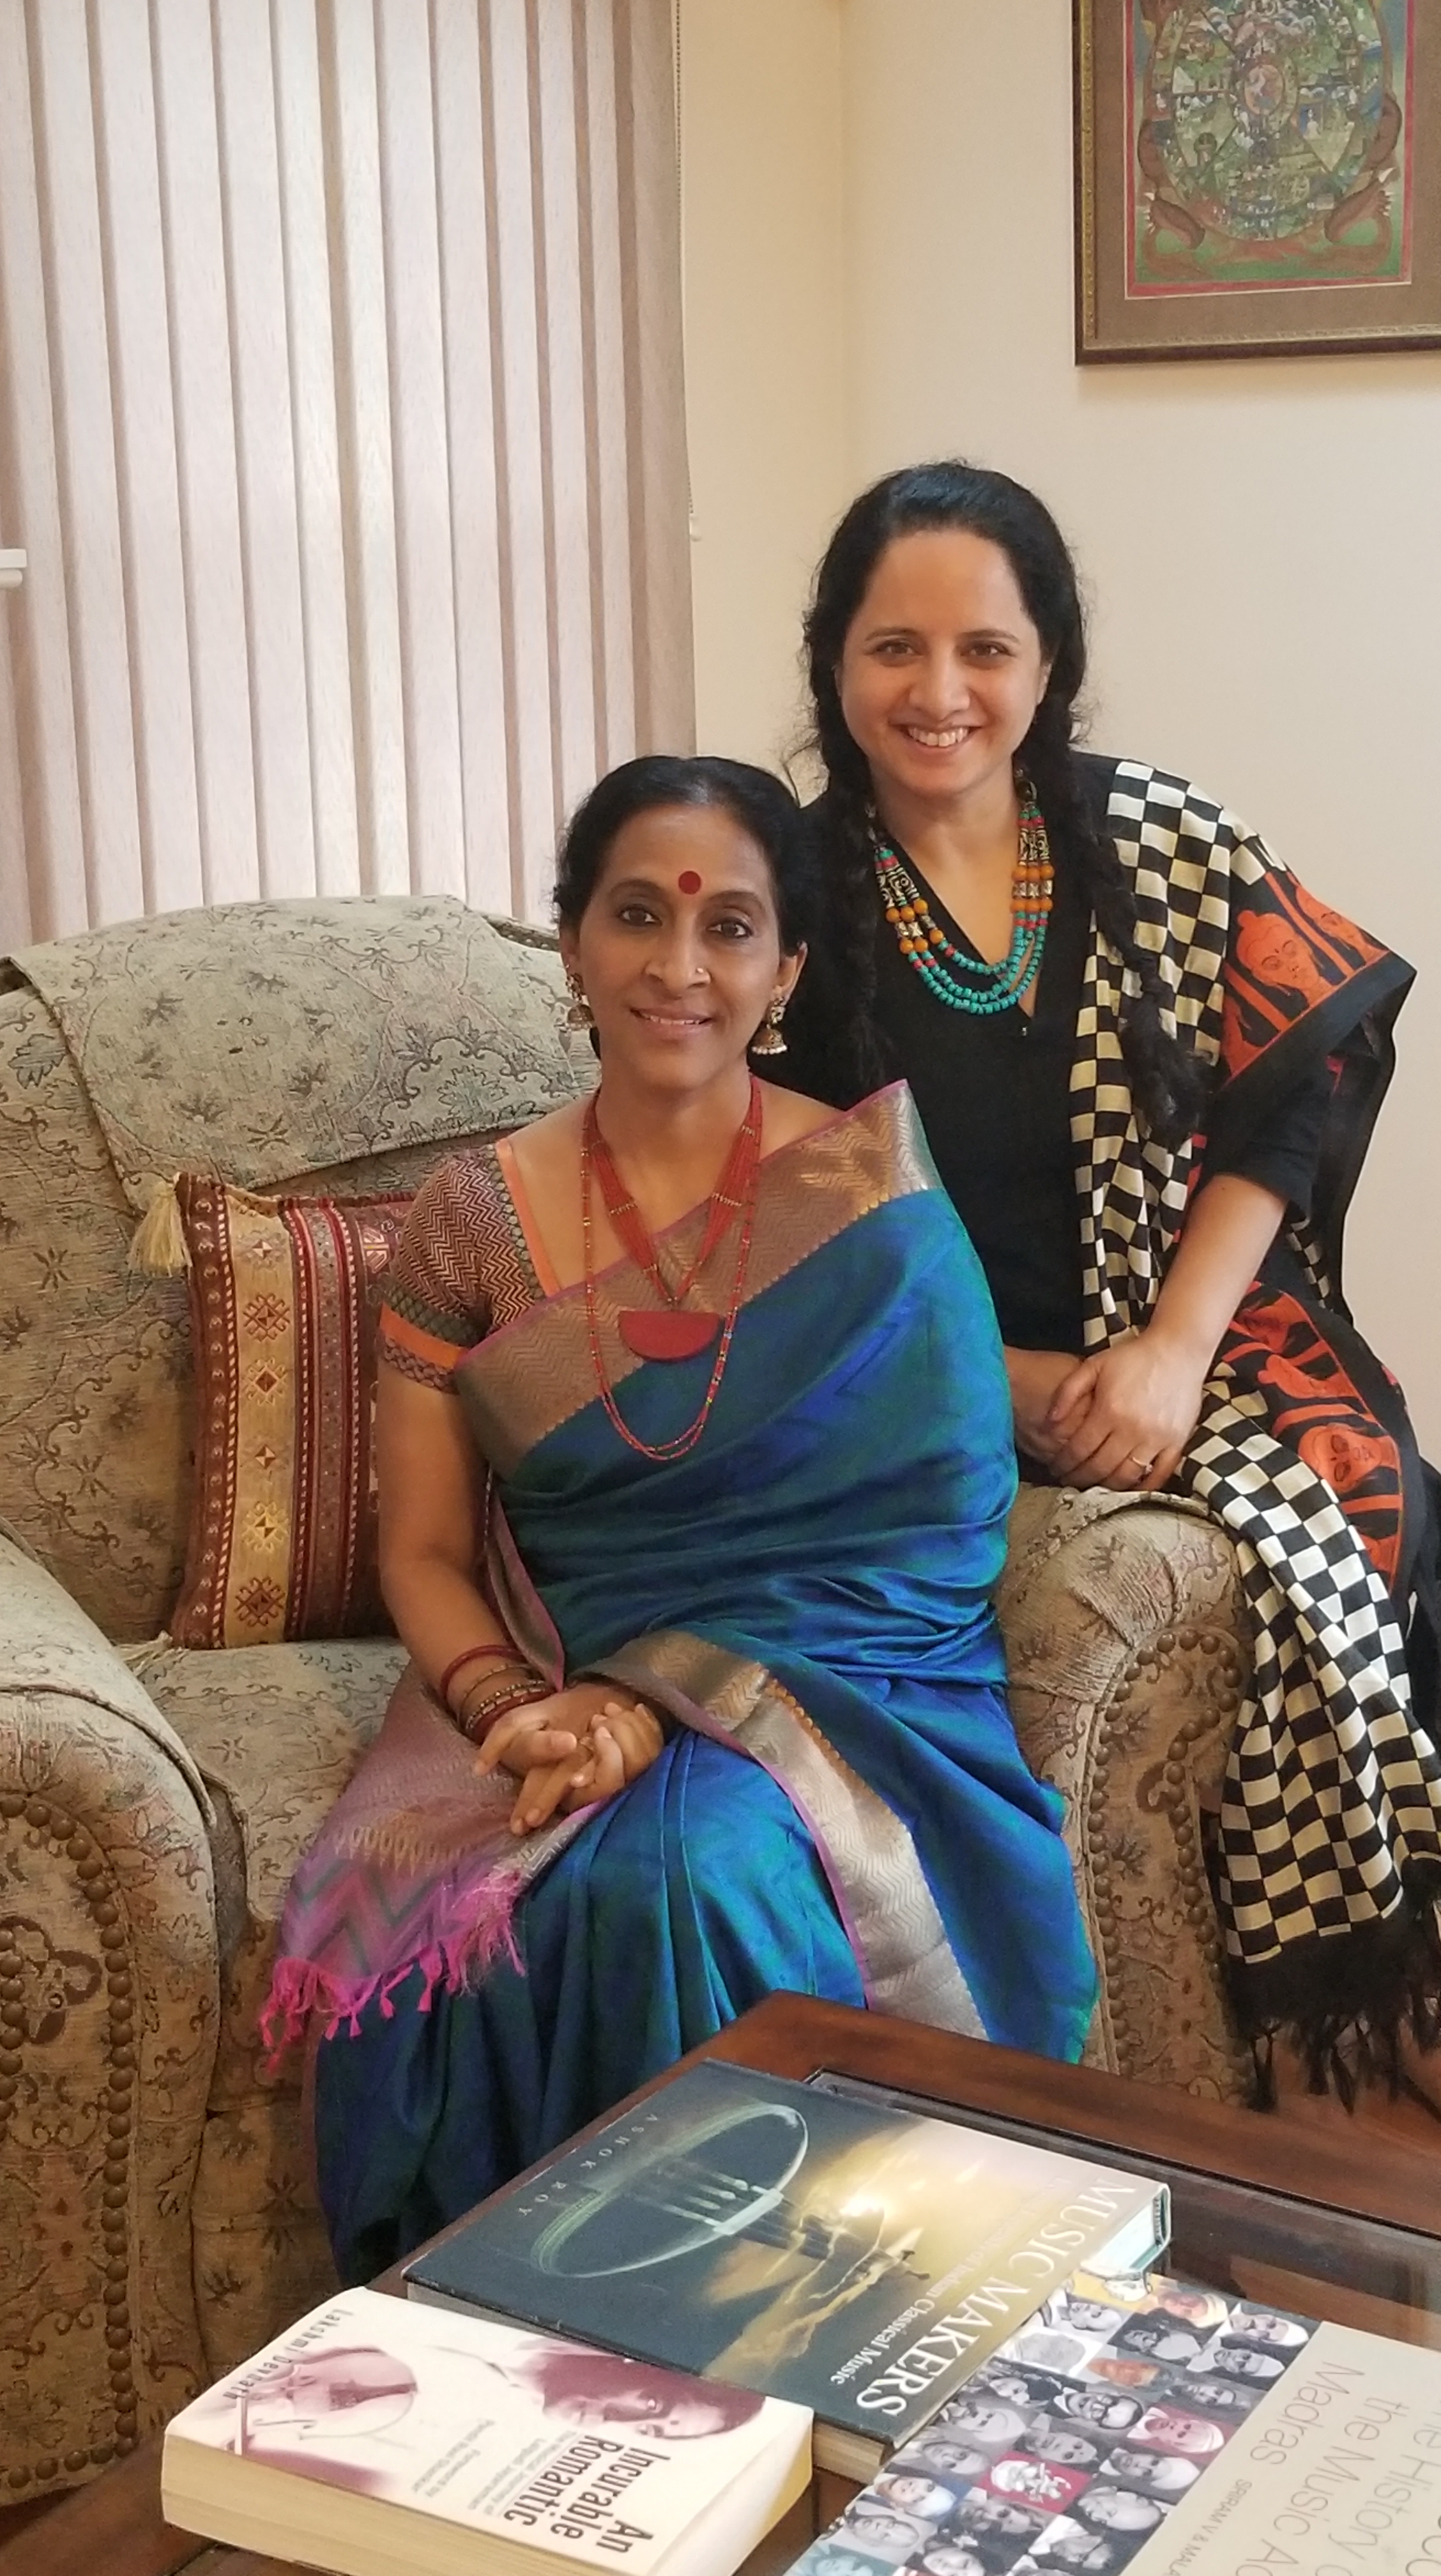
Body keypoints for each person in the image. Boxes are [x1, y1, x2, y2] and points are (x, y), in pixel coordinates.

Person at [263, 753, 1095, 2281]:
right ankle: (565, 2328)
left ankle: (786, 2302)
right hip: (563, 1678)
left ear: (786, 971)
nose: (679, 965)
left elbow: (939, 1535)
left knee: (679, 1877)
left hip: (849, 1684)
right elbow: (425, 1553)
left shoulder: (871, 1202)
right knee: (562, 1896)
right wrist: (517, 1714)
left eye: (729, 928)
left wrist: (660, 1706)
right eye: (638, 914)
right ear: (573, 942)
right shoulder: (471, 1220)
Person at [781, 458, 1441, 2089]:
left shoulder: (1151, 837)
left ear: (1049, 661)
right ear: (834, 661)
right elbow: (783, 1232)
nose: (940, 692)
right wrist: (1010, 1387)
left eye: (985, 649)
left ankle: (1399, 1995)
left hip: (1185, 1327)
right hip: (918, 1373)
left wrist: (1168, 1353)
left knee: (1378, 1504)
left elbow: (1293, 1089)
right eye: (894, 648)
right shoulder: (787, 896)